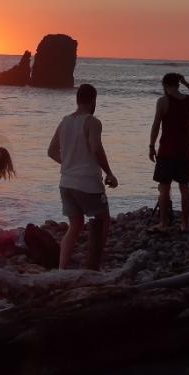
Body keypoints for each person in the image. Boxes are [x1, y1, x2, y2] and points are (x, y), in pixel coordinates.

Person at [47, 83, 117, 270]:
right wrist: (109, 172)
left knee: (75, 226)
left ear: (77, 100)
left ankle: (62, 269)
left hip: (66, 183)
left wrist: (70, 162)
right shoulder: (92, 122)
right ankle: (94, 266)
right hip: (87, 183)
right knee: (103, 221)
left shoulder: (65, 121)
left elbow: (51, 151)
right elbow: (96, 148)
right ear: (93, 100)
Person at [149, 73, 189, 232]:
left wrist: (151, 146)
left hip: (166, 150)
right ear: (178, 84)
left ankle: (164, 223)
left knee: (164, 188)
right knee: (184, 187)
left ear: (165, 85)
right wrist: (186, 82)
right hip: (184, 151)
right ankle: (185, 223)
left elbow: (155, 126)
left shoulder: (163, 101)